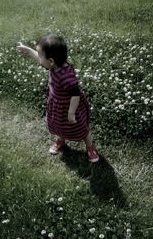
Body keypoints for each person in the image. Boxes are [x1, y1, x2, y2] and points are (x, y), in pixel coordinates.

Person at [17, 34, 99, 162]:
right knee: (58, 124)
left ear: (51, 61)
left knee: (81, 128)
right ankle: (61, 140)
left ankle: (90, 147)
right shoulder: (54, 65)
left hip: (71, 108)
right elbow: (39, 59)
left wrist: (71, 113)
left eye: (41, 55)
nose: (39, 58)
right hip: (57, 106)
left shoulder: (66, 76)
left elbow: (76, 94)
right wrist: (27, 50)